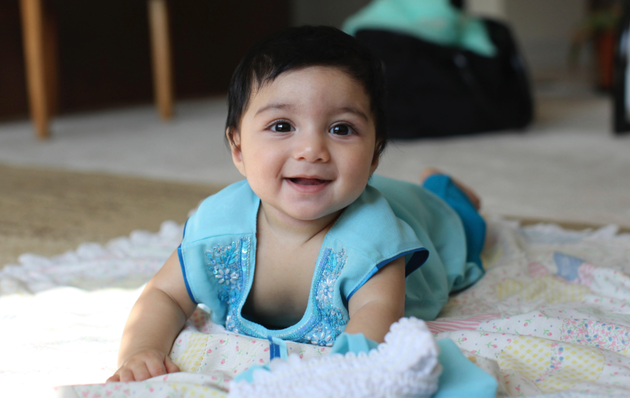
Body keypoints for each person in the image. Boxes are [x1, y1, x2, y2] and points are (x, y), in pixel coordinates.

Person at [106, 25, 486, 383]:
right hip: (342, 187)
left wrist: (335, 378)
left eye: (341, 129)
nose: (311, 150)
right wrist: (141, 351)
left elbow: (374, 324)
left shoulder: (375, 240)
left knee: (465, 224)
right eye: (282, 126)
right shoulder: (217, 228)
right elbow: (164, 295)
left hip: (420, 212)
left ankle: (445, 189)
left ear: (373, 155)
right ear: (238, 148)